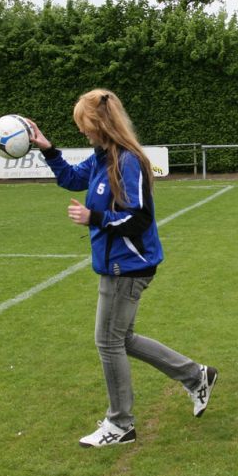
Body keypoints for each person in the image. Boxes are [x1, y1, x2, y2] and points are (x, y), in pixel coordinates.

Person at [28, 89, 217, 447]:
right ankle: (196, 376)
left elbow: (139, 219)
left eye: (84, 123)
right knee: (122, 339)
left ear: (99, 123)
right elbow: (71, 179)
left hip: (127, 266)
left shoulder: (129, 162)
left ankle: (120, 424)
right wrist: (48, 149)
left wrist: (94, 217)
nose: (81, 130)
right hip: (116, 265)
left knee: (108, 342)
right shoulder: (102, 157)